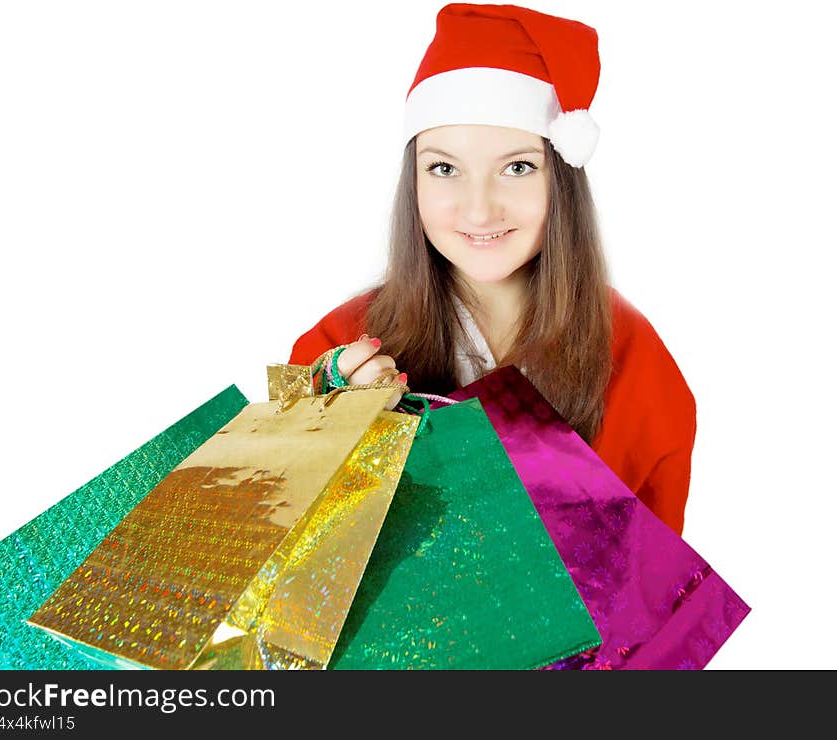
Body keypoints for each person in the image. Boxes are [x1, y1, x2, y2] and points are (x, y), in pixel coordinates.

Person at [288, 3, 696, 536]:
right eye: (444, 168)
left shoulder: (632, 353)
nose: (479, 210)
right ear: (413, 180)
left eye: (517, 167)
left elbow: (652, 587)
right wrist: (328, 410)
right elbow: (277, 532)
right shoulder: (344, 339)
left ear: (563, 180)